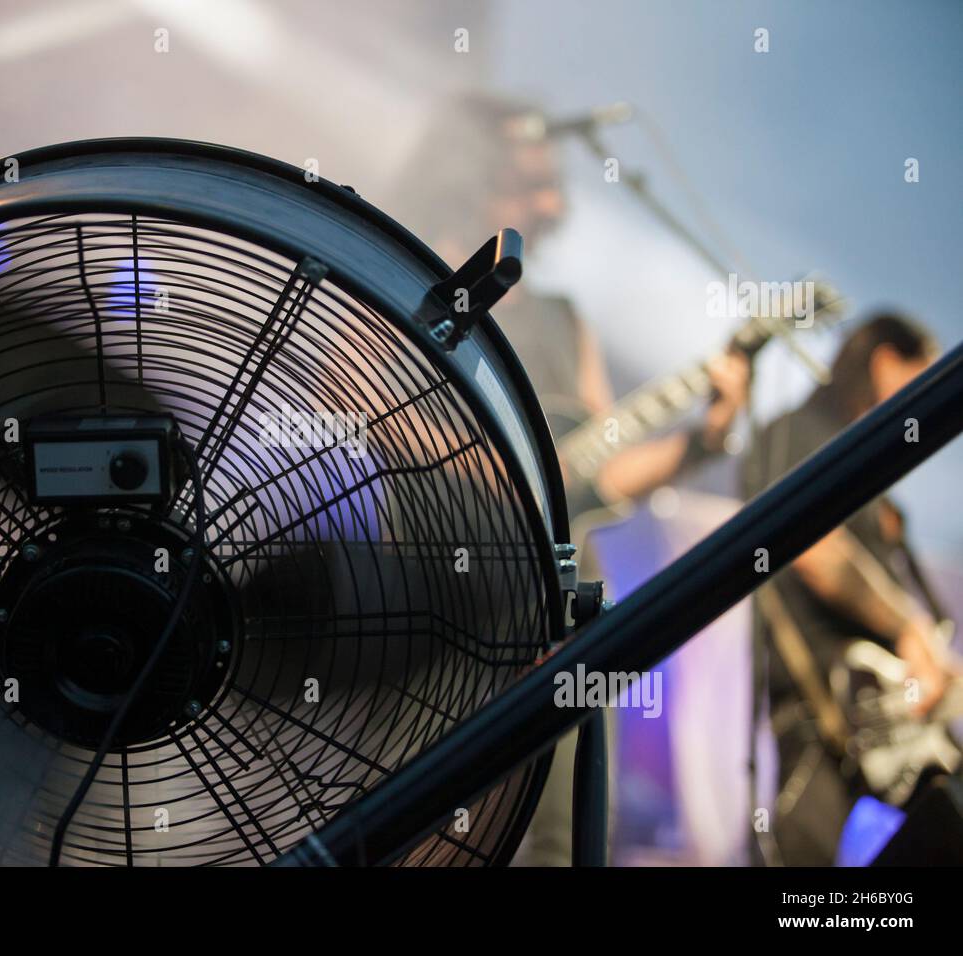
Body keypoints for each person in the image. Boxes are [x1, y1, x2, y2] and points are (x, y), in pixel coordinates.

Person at [390, 90, 750, 865]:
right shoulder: (409, 283)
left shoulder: (562, 316)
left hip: (555, 616)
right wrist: (495, 471)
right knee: (414, 821)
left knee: (561, 834)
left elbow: (605, 470)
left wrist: (707, 434)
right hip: (435, 599)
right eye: (533, 180)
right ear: (474, 178)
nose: (554, 200)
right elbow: (360, 418)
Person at [741, 313, 952, 866]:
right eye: (918, 379)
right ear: (884, 364)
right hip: (821, 711)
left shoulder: (872, 480)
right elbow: (816, 551)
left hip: (875, 720)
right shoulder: (804, 433)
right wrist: (909, 629)